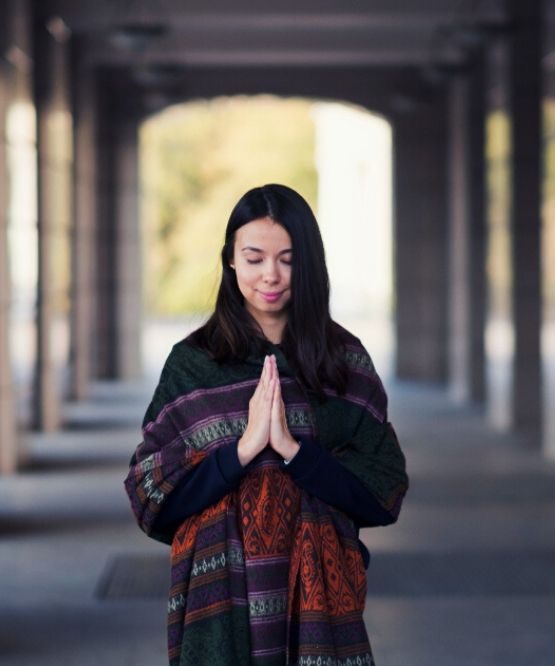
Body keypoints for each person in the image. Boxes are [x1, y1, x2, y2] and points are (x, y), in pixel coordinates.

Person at [124, 184, 408, 665]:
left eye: (287, 259)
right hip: (219, 602)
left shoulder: (344, 361)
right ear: (231, 260)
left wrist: (297, 455)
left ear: (310, 263)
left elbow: (384, 491)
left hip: (318, 602)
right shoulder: (193, 364)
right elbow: (150, 496)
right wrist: (239, 453)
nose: (270, 276)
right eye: (254, 258)